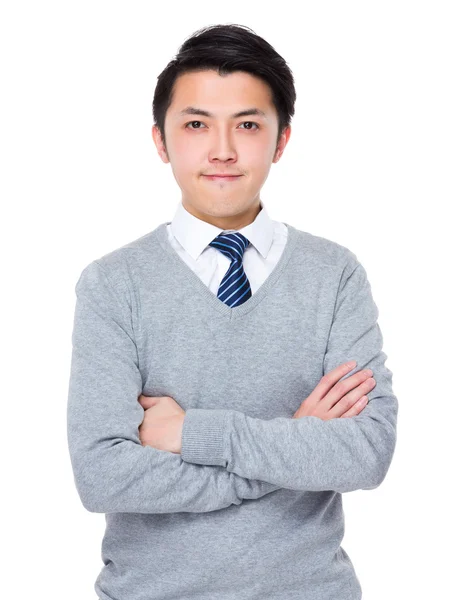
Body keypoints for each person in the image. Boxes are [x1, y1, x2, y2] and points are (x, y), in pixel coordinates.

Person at [67, 23, 398, 600]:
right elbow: (103, 476)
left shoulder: (335, 274)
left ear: (281, 140)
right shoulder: (112, 284)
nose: (223, 149)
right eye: (196, 124)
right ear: (161, 140)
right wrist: (295, 443)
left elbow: (365, 454)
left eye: (247, 125)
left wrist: (191, 431)